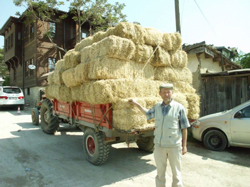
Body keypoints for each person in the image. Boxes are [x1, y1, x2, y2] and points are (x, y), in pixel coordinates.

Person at [128, 83, 190, 187]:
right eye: (164, 92)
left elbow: (184, 128)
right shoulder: (157, 107)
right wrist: (136, 104)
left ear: (172, 93)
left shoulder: (179, 108)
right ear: (160, 94)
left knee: (177, 175)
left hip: (174, 146)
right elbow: (147, 114)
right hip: (159, 146)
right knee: (160, 174)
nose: (167, 94)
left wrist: (184, 146)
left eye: (169, 92)